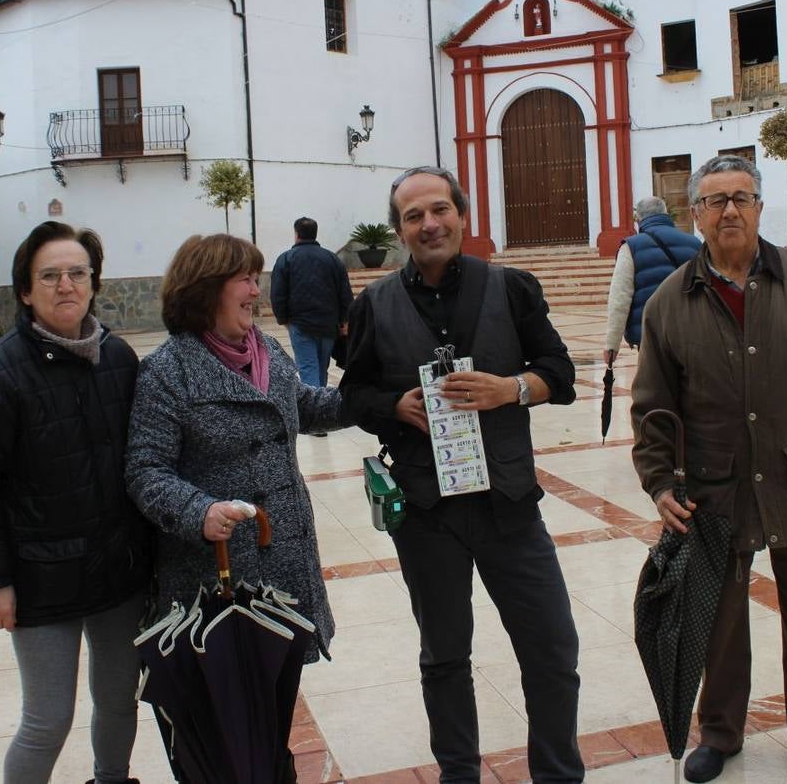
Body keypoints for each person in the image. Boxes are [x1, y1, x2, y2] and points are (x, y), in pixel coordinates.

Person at [630, 155, 787, 784]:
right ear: (696, 216)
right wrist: (660, 483)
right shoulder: (668, 303)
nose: (730, 210)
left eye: (742, 197)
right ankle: (720, 733)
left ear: (761, 207)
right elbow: (652, 408)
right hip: (715, 493)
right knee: (719, 625)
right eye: (715, 201)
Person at [341, 166, 584, 783]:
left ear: (462, 215)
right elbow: (354, 393)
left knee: (552, 651)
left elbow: (559, 372)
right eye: (414, 216)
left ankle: (557, 774)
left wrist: (512, 388)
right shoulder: (375, 304)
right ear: (400, 229)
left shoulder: (511, 289)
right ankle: (459, 775)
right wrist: (391, 405)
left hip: (509, 504)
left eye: (440, 210)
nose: (430, 224)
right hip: (427, 515)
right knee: (445, 657)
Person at [125, 234, 349, 769]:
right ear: (206, 290)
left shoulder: (267, 349)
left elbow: (307, 407)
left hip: (284, 559)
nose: (257, 290)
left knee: (273, 711)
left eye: (257, 277)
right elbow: (145, 469)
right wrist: (198, 510)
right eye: (246, 279)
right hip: (217, 581)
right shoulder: (168, 370)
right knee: (226, 728)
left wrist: (369, 399)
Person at [0, 222, 150, 784]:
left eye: (77, 273)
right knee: (46, 719)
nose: (66, 285)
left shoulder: (120, 360)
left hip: (116, 571)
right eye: (50, 275)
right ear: (26, 291)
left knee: (118, 700)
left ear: (93, 283)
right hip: (40, 577)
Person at [603, 196, 702, 366]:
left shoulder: (630, 247)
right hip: (690, 333)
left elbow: (620, 298)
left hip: (650, 335)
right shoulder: (694, 243)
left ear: (639, 219)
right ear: (665, 214)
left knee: (654, 389)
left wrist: (612, 344)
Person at [270, 216, 353, 398]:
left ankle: (314, 410)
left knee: (308, 368)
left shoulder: (286, 259)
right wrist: (345, 320)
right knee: (322, 367)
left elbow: (278, 293)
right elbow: (344, 292)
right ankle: (320, 405)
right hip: (328, 325)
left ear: (296, 234)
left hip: (301, 324)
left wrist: (283, 319)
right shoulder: (332, 259)